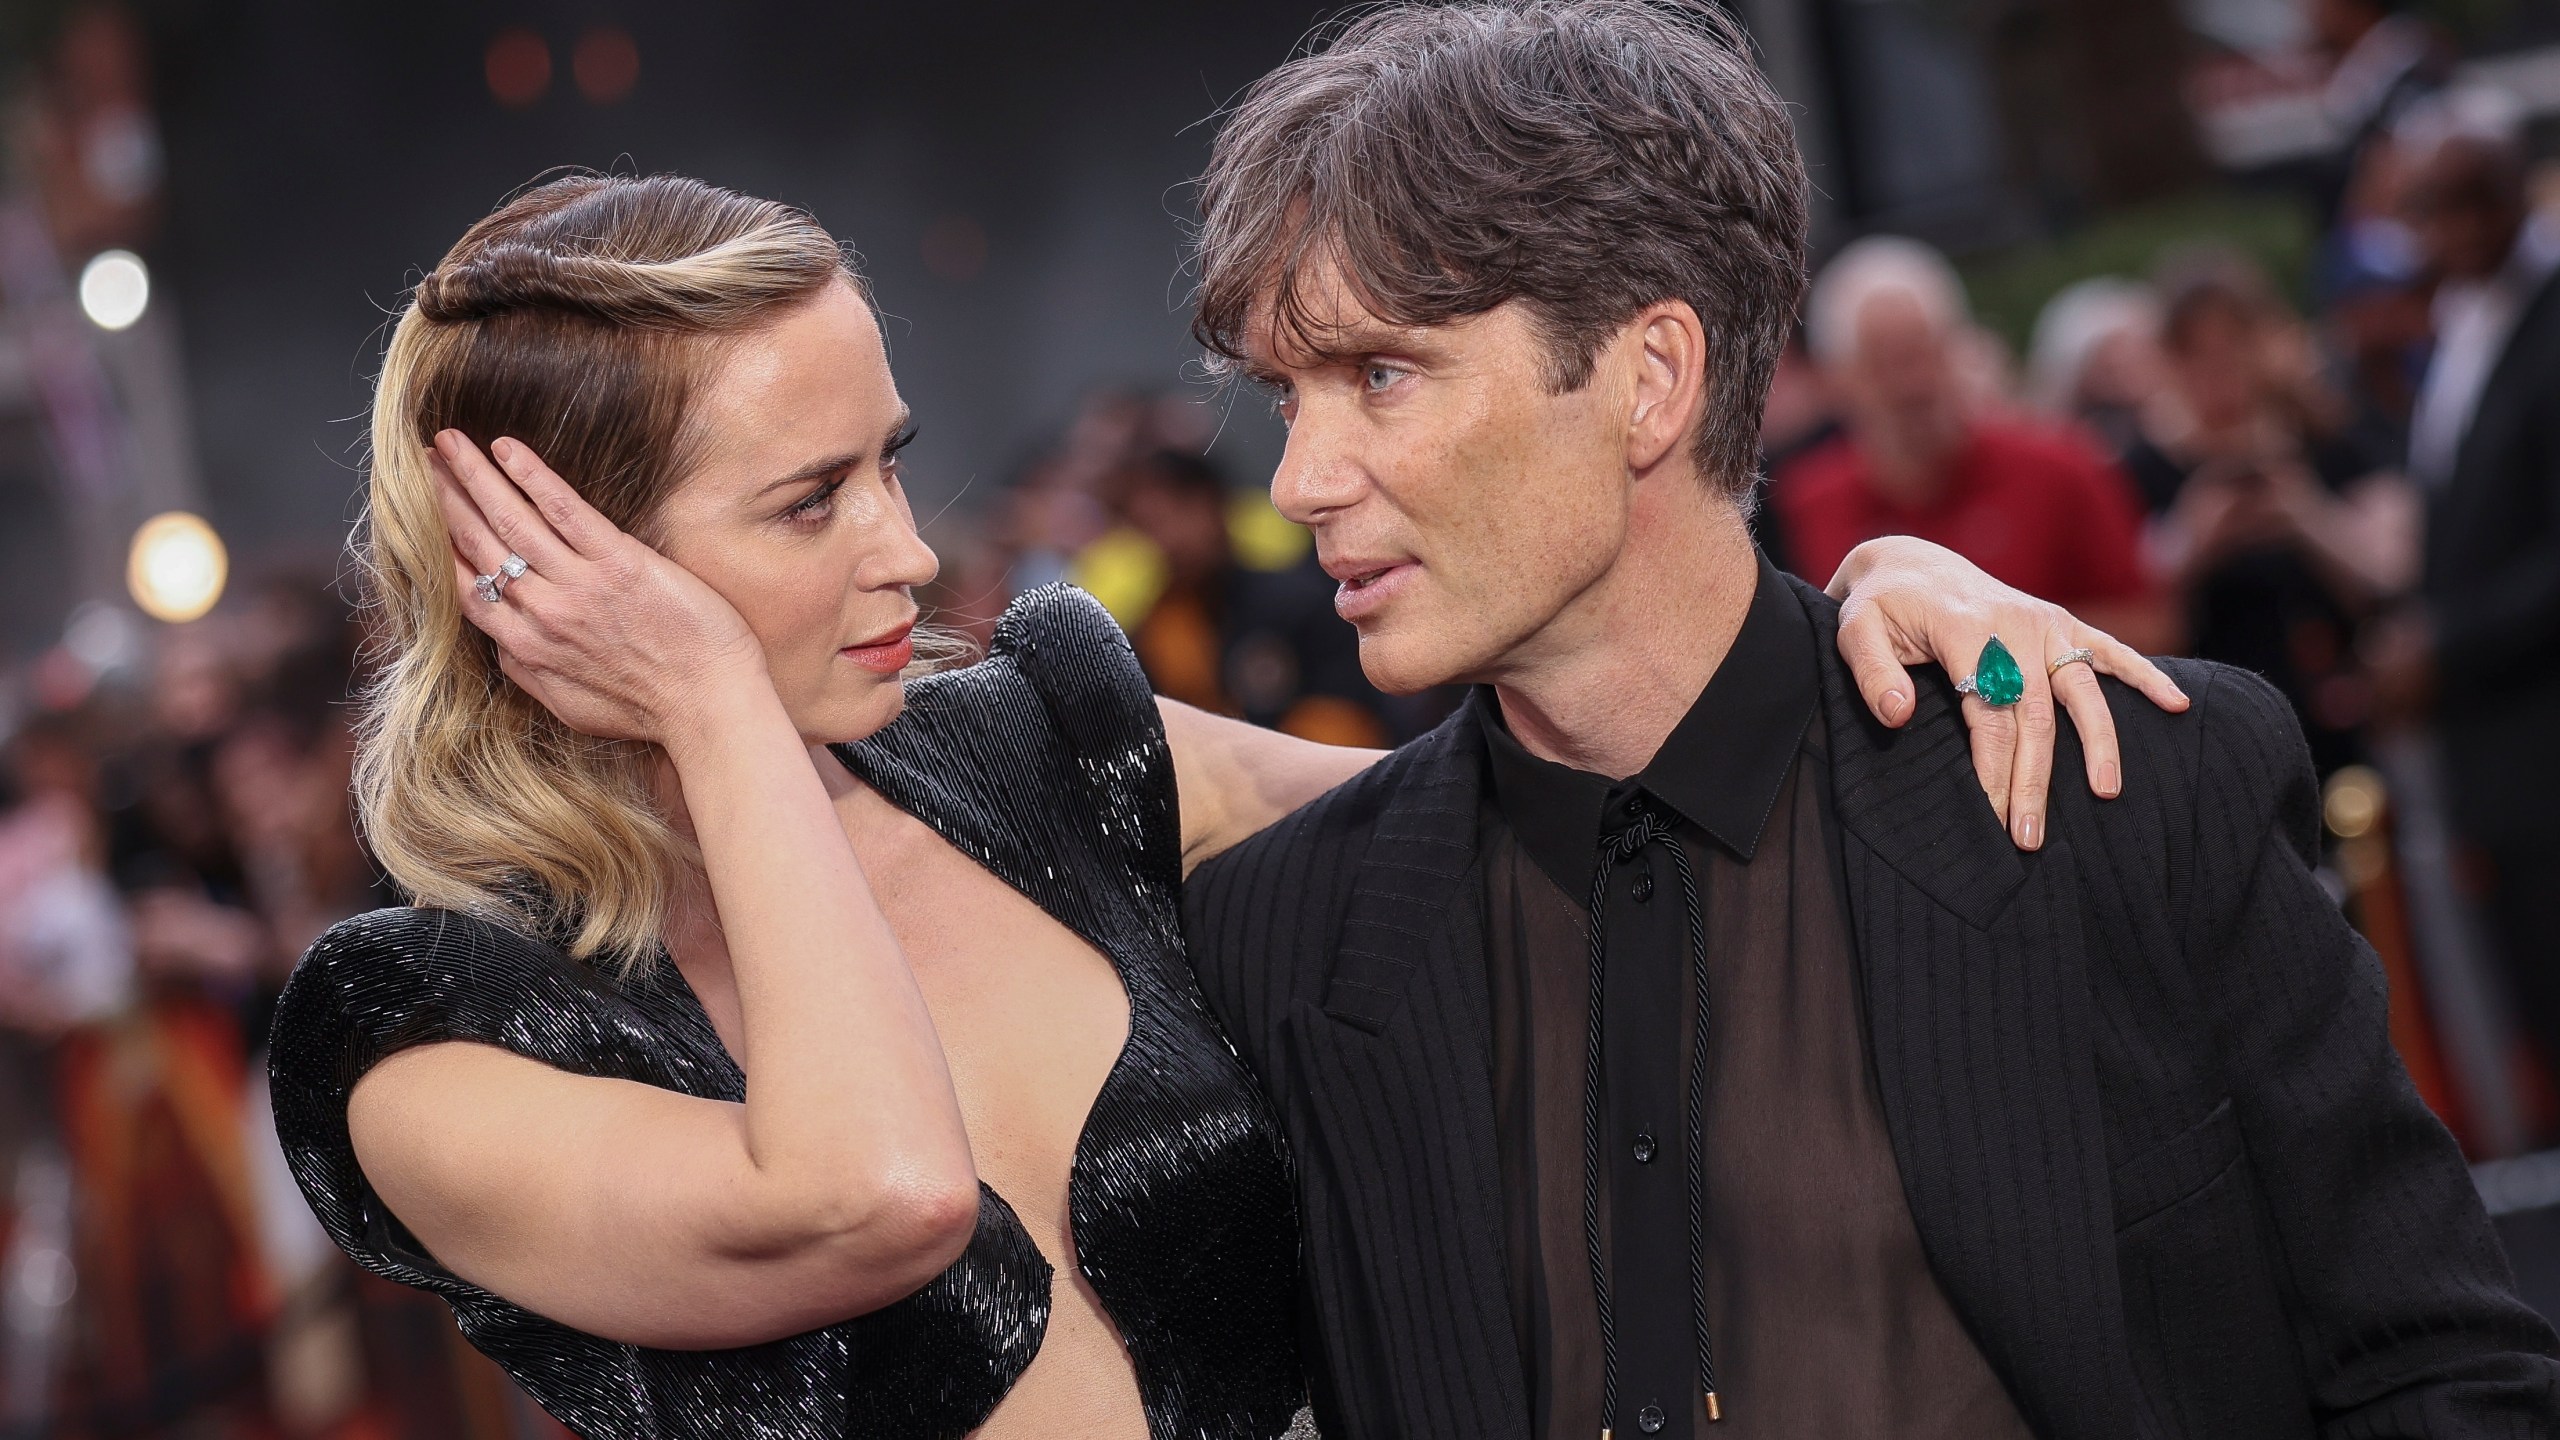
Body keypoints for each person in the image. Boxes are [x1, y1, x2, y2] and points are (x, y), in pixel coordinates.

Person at [261, 172, 2128, 1440]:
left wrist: (1874, 596)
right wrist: (711, 713)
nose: (911, 550)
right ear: (558, 561)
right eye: (809, 501)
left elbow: (1573, 811)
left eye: (889, 465)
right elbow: (876, 1195)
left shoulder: (1049, 753)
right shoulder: (425, 1037)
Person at [1177, 4, 2560, 1437]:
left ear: (1651, 377)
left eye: (1379, 374)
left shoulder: (2110, 791)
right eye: (1286, 395)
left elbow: (2439, 1377)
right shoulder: (1281, 941)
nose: (1299, 481)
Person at [2370, 99, 2560, 1089]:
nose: (2451, 229)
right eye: (2429, 208)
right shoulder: (2457, 326)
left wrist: (2442, 645)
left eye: (2472, 201)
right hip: (2498, 760)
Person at [1772, 236, 2177, 654]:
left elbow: (2155, 625)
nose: (1911, 385)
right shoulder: (1801, 503)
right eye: (1882, 364)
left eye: (1921, 353)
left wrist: (1997, 634)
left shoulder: (2061, 466)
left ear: (1956, 349)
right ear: (1835, 380)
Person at [2120, 250, 2413, 779]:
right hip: (2214, 743)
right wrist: (2194, 537)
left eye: (2233, 348)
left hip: (2350, 722)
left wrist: (2305, 515)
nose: (2218, 374)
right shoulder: (2138, 470)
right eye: (2196, 355)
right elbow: (2126, 613)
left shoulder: (2329, 440)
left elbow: (2394, 573)